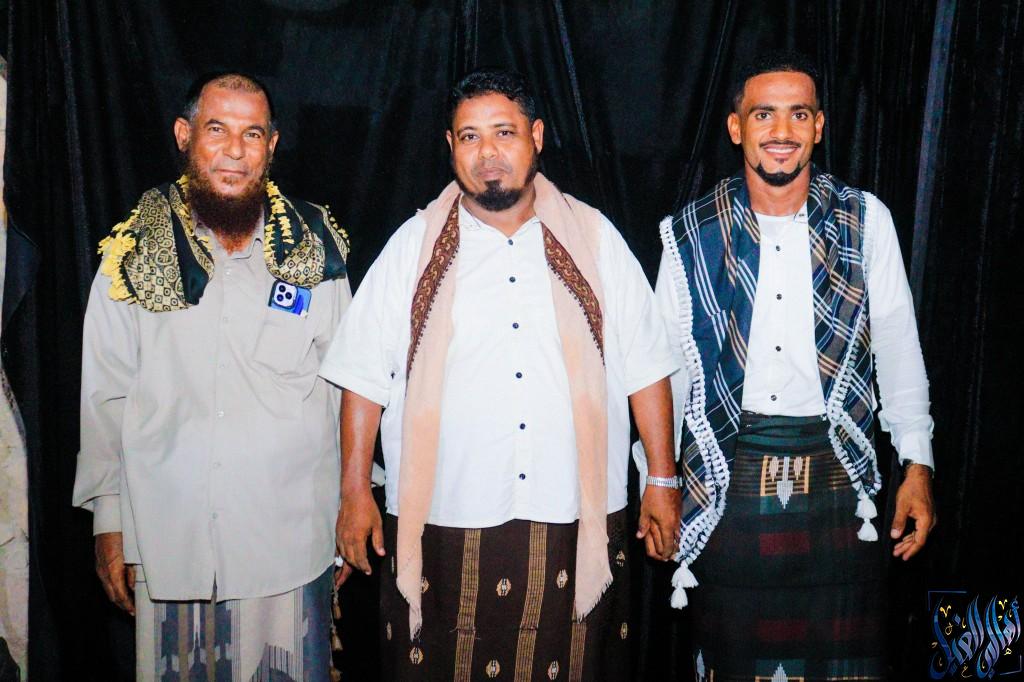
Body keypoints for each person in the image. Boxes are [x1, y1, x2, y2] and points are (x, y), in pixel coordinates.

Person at [320, 68, 679, 681]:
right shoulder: (414, 246)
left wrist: (663, 479)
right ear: (450, 146)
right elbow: (361, 379)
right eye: (470, 136)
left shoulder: (595, 239)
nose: (488, 153)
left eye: (504, 133)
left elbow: (647, 367)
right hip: (444, 516)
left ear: (536, 136)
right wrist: (355, 492)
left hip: (575, 511)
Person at [656, 51, 936, 681]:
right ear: (736, 128)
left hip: (840, 479)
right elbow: (666, 374)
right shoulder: (692, 232)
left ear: (819, 126)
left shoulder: (864, 220)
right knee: (731, 664)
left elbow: (898, 348)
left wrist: (917, 466)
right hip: (727, 478)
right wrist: (660, 482)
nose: (781, 131)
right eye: (764, 115)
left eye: (798, 114)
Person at [72, 72, 352, 681]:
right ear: (185, 135)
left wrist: (352, 503)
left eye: (252, 134)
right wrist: (109, 521)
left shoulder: (315, 251)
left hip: (289, 540)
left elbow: (344, 388)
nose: (235, 150)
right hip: (168, 540)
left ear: (271, 145)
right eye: (217, 129)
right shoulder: (132, 254)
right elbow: (105, 394)